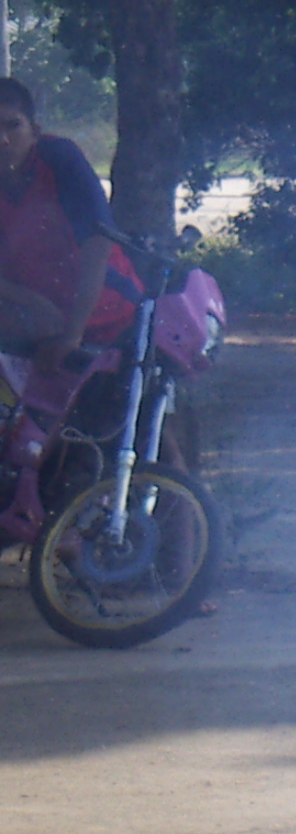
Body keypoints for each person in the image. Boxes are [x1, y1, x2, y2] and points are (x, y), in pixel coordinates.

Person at [0, 78, 140, 541]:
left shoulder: (60, 161)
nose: (3, 140)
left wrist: (73, 333)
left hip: (108, 311)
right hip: (40, 321)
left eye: (12, 126)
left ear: (34, 130)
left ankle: (185, 562)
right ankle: (55, 535)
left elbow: (97, 245)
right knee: (45, 433)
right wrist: (31, 303)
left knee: (137, 432)